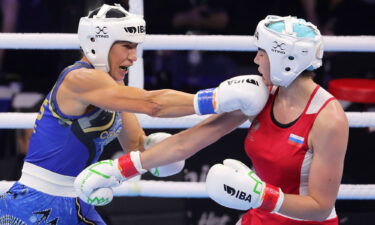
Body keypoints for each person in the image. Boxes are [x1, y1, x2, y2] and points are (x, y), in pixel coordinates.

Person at [0, 3, 268, 224]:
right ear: (100, 43)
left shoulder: (114, 86)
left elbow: (136, 146)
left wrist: (233, 115)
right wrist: (218, 99)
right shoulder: (79, 79)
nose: (134, 57)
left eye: (136, 47)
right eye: (127, 46)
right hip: (37, 200)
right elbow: (154, 104)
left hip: (78, 203)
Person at [75, 15, 348, 225]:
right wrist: (121, 169)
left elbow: (320, 206)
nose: (255, 60)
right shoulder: (263, 94)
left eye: (262, 54)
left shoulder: (327, 119)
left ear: (284, 59)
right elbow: (192, 140)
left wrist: (263, 195)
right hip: (259, 218)